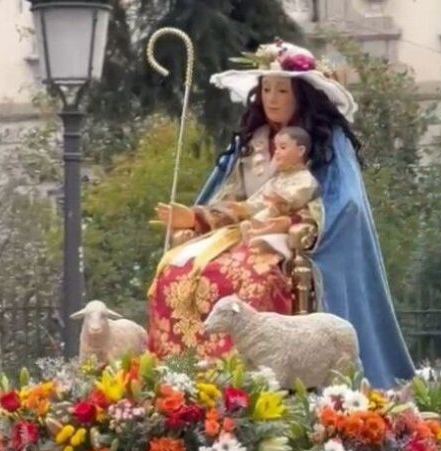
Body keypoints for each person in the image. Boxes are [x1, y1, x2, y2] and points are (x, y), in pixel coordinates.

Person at [148, 41, 415, 388]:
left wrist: (301, 227)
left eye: (281, 90)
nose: (272, 98)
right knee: (174, 268)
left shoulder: (327, 141)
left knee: (251, 278)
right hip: (238, 233)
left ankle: (270, 376)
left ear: (300, 95)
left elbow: (345, 203)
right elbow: (230, 197)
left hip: (284, 240)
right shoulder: (251, 141)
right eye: (266, 89)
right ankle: (183, 378)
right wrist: (196, 218)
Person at [231, 126, 319, 261]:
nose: (277, 153)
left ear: (300, 151)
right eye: (276, 148)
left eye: (283, 148)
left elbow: (295, 199)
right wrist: (241, 208)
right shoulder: (275, 181)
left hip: (283, 232)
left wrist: (280, 200)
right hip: (260, 221)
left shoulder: (306, 179)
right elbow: (257, 202)